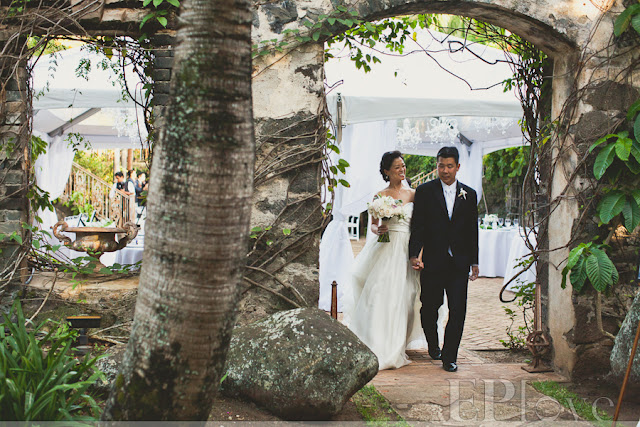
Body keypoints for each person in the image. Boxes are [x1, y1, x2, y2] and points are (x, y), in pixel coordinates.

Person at [343, 151, 429, 370]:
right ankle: (376, 341)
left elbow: (420, 227)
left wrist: (418, 255)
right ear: (386, 171)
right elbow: (372, 225)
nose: (402, 170)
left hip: (406, 248)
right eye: (397, 167)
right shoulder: (379, 196)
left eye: (403, 166)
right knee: (380, 293)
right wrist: (377, 228)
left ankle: (397, 342)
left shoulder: (414, 194)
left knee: (405, 297)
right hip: (385, 245)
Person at [409, 146, 479, 372]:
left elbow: (472, 230)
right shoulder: (425, 191)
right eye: (441, 165)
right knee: (429, 307)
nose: (445, 170)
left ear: (458, 167)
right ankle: (433, 343)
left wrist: (474, 261)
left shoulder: (469, 194)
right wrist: (414, 254)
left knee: (458, 309)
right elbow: (417, 227)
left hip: (459, 263)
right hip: (433, 260)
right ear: (436, 166)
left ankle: (450, 355)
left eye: (450, 166)